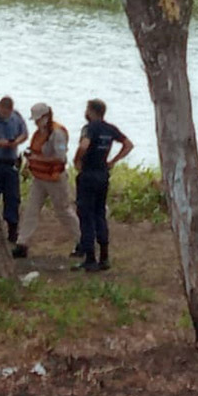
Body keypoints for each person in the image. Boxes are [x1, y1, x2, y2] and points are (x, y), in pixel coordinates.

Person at [12, 103, 81, 259]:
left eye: (38, 119)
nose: (36, 123)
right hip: (39, 178)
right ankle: (22, 244)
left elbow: (60, 157)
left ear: (46, 116)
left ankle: (82, 241)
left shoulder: (57, 133)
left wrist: (39, 158)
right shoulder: (39, 133)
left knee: (64, 211)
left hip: (55, 179)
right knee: (31, 210)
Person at [72, 98, 134, 272]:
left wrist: (77, 160)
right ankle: (104, 257)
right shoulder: (110, 129)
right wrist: (112, 161)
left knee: (86, 215)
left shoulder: (89, 128)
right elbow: (128, 145)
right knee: (99, 213)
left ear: (91, 111)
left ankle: (90, 258)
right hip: (103, 174)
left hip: (88, 174)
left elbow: (84, 145)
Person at [0, 96, 28, 243]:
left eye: (8, 114)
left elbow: (24, 134)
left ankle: (12, 232)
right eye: (4, 113)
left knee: (13, 199)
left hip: (10, 164)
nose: (6, 116)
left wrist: (16, 142)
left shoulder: (16, 117)